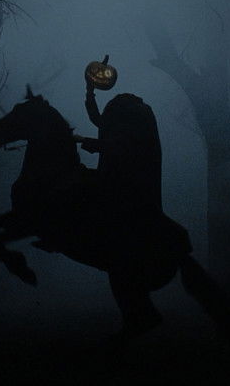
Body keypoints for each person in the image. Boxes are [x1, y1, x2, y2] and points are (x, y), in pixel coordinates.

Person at [74, 79, 166, 338]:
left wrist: (85, 141)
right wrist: (89, 91)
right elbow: (100, 121)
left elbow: (117, 144)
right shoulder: (130, 120)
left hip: (128, 193)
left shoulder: (134, 124)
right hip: (122, 188)